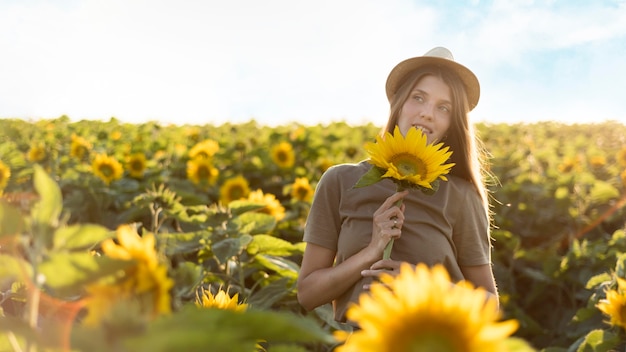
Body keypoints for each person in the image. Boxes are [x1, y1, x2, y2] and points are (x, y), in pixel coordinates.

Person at [296, 47, 498, 325]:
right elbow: (307, 294)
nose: (428, 114)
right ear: (398, 104)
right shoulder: (340, 182)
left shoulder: (461, 195)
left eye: (443, 107)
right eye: (419, 98)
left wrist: (419, 283)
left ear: (452, 123)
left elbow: (489, 305)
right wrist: (371, 251)